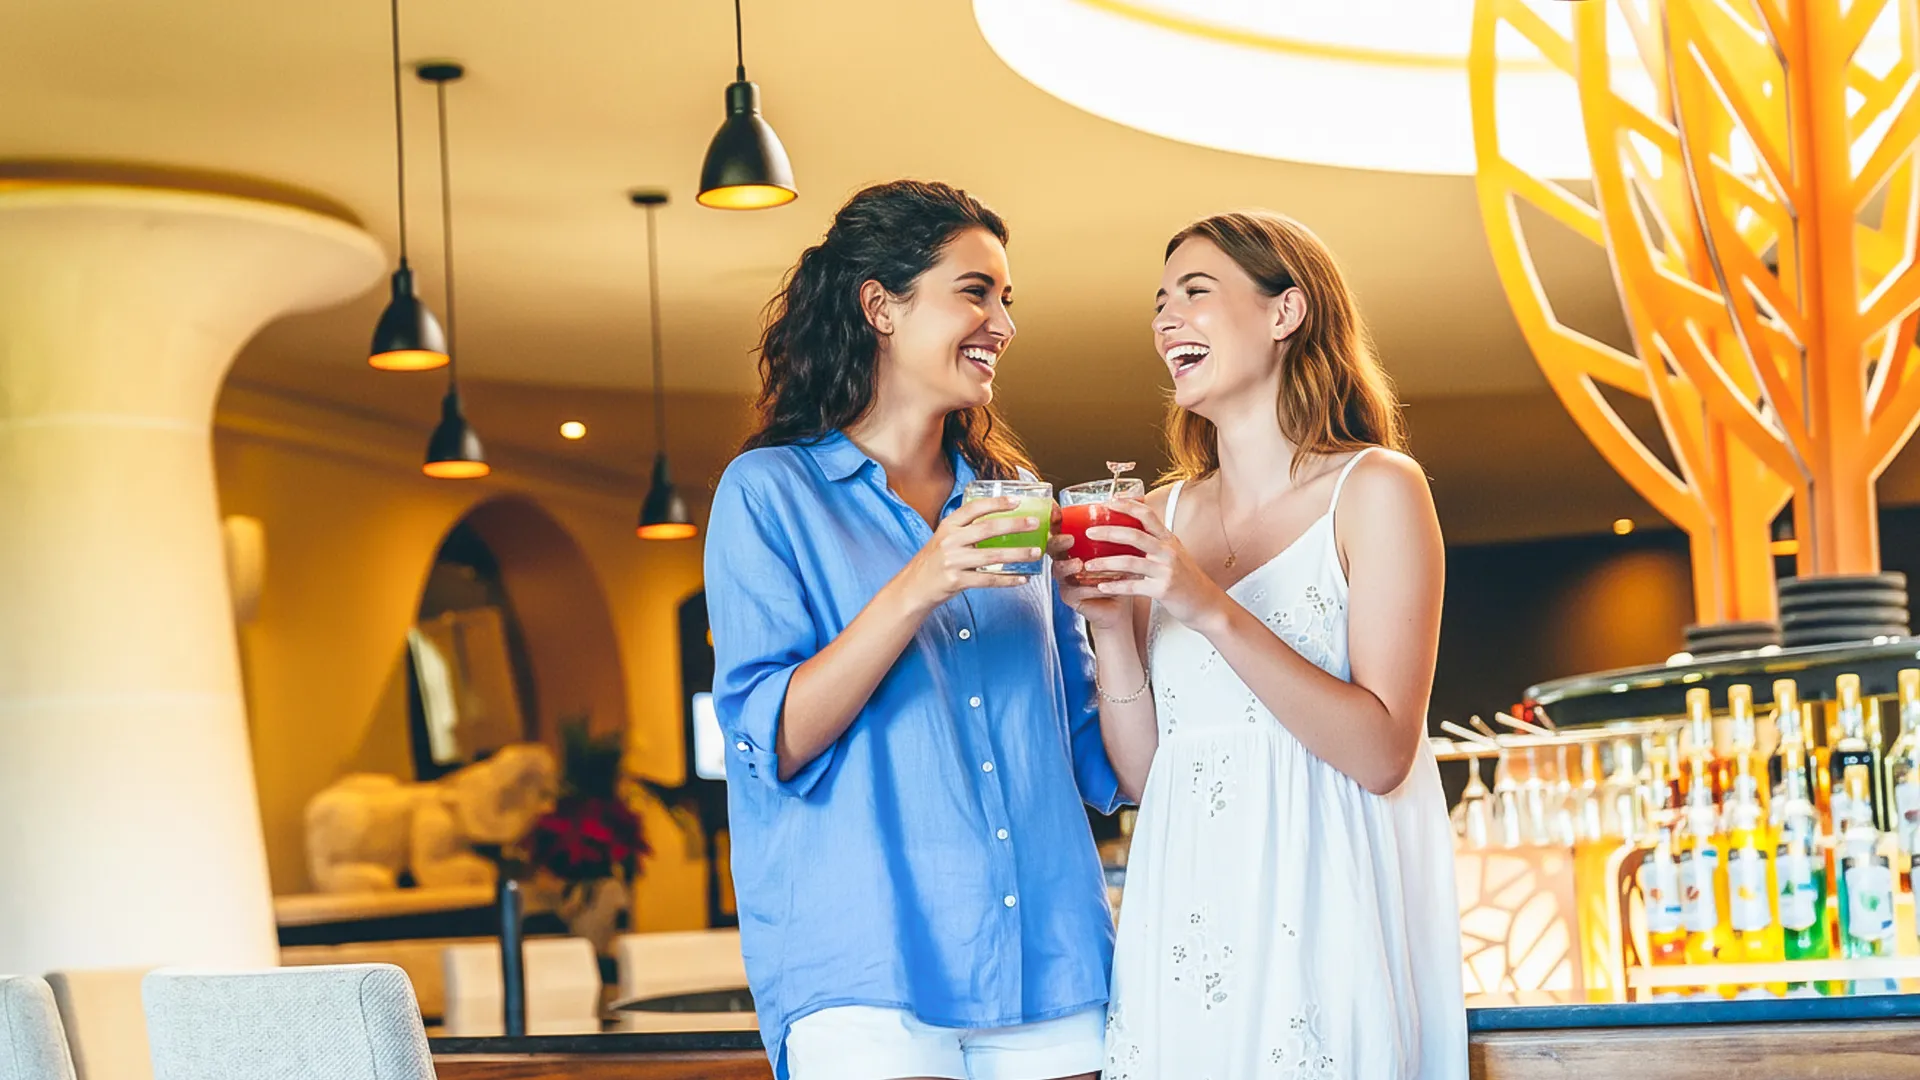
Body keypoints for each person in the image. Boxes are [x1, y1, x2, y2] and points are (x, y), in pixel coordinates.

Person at [704, 180, 1122, 1080]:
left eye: (1006, 300)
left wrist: (1116, 625)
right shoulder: (769, 494)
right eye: (975, 291)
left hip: (1049, 963)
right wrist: (922, 581)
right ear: (879, 306)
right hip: (866, 976)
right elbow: (768, 740)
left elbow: (1104, 768)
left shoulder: (1016, 504)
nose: (1002, 324)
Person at [1053, 210, 1466, 1079]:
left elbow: (1384, 751)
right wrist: (1107, 629)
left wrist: (1203, 604)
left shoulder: (1376, 489)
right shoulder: (1157, 517)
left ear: (1286, 314)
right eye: (1160, 303)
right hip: (1183, 913)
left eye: (1195, 293)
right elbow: (1140, 777)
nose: (1166, 320)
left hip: (1324, 908)